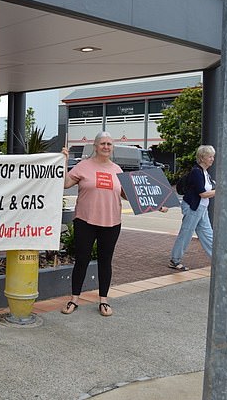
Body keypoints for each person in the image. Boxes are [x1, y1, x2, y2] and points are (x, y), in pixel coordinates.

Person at [61, 132, 127, 317]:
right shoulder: (83, 166)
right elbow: (66, 183)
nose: (106, 147)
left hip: (112, 222)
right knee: (82, 260)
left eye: (109, 144)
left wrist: (155, 203)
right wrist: (64, 161)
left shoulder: (117, 170)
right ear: (95, 146)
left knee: (105, 262)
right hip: (85, 221)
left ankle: (103, 301)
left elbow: (128, 195)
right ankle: (74, 299)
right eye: (103, 143)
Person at [169, 145, 215, 271]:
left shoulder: (205, 172)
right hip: (193, 207)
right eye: (210, 156)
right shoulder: (196, 171)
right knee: (186, 233)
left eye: (213, 156)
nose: (212, 159)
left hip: (202, 208)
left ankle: (218, 260)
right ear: (202, 158)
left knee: (208, 234)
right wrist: (220, 191)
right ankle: (175, 260)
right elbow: (202, 193)